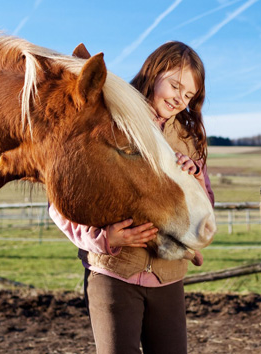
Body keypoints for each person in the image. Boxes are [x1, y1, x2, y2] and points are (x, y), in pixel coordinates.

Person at [49, 41, 214, 354]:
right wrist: (103, 237)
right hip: (113, 274)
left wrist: (194, 180)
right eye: (175, 85)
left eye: (189, 94)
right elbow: (61, 202)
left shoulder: (189, 140)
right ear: (153, 73)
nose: (180, 98)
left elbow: (205, 209)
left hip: (169, 279)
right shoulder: (112, 121)